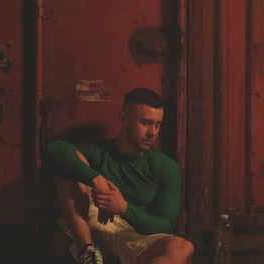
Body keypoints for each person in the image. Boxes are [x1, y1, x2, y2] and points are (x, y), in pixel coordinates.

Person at [41, 88, 194, 264]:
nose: (152, 132)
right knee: (69, 166)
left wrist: (124, 208)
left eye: (157, 124)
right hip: (95, 231)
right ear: (124, 120)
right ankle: (88, 253)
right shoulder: (99, 152)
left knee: (184, 247)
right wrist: (96, 178)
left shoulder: (166, 167)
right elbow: (53, 150)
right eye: (145, 123)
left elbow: (165, 225)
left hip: (136, 239)